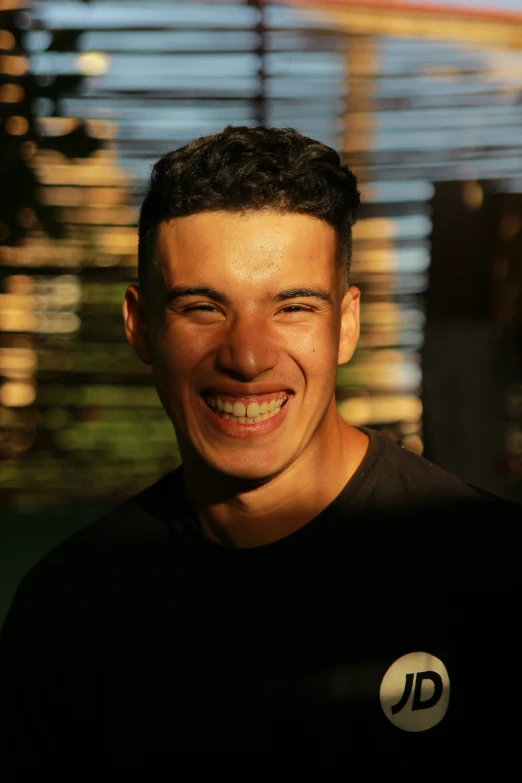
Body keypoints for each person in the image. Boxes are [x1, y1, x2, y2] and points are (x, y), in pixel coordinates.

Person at [0, 125, 519, 769]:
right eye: (202, 308)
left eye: (292, 308)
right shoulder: (70, 611)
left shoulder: (495, 574)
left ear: (347, 324)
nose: (247, 357)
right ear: (139, 326)